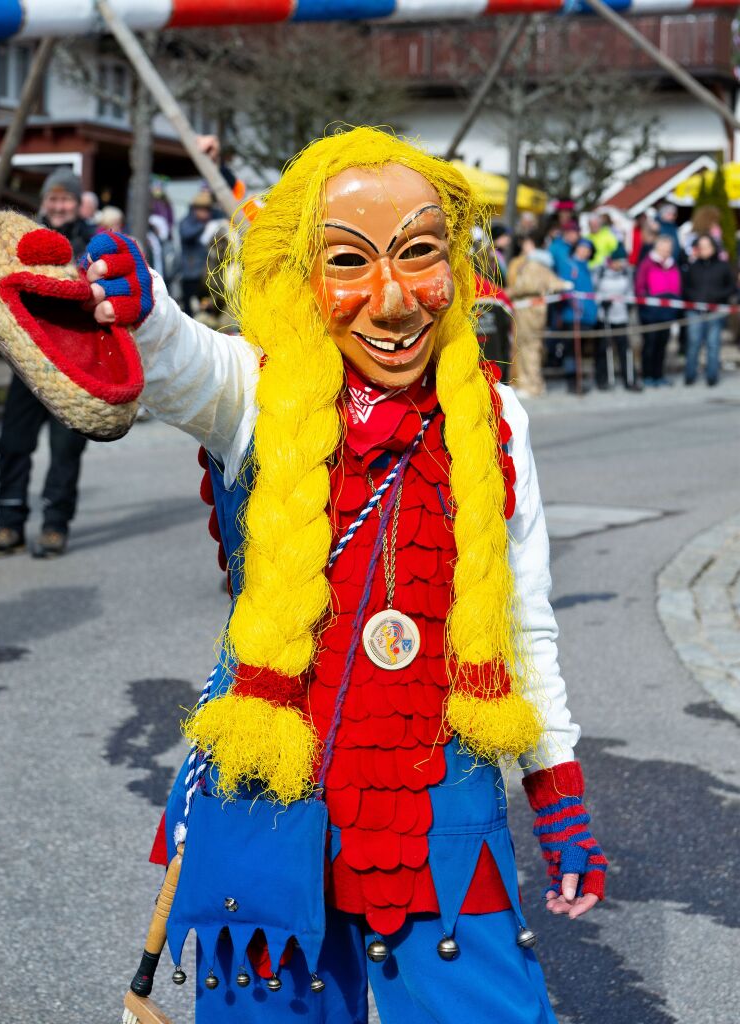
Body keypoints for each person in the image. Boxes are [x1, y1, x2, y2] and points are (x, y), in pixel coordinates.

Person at [78, 130, 605, 1023]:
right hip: (271, 783)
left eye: (419, 255)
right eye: (349, 262)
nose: (393, 300)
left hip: (441, 785)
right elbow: (177, 363)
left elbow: (526, 619)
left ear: (456, 262)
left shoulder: (496, 415)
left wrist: (555, 787)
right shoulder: (258, 391)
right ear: (297, 272)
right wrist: (138, 308)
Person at [0, 168, 96, 558]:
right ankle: (9, 524)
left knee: (66, 449)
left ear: (77, 203)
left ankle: (54, 525)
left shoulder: (94, 241)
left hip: (73, 363)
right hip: (27, 361)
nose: (59, 205)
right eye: (53, 198)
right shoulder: (22, 238)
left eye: (66, 199)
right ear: (45, 202)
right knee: (13, 443)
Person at [506, 234, 569, 397]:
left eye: (526, 243)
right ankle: (526, 382)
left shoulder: (533, 264)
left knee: (529, 346)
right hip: (528, 310)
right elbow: (556, 283)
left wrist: (505, 293)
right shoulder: (538, 263)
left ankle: (533, 385)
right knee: (525, 346)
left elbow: (525, 286)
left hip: (530, 311)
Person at [682, 233, 735, 387]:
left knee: (713, 344)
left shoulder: (723, 266)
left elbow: (731, 288)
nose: (704, 249)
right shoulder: (693, 266)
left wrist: (716, 297)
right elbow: (685, 288)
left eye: (707, 246)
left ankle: (712, 376)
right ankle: (690, 375)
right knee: (693, 343)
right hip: (695, 310)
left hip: (715, 311)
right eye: (701, 246)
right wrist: (695, 298)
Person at [634, 233, 681, 387]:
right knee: (650, 344)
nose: (666, 252)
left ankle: (659, 374)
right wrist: (646, 306)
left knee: (662, 345)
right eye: (664, 249)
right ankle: (647, 375)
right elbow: (639, 287)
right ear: (657, 247)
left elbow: (677, 287)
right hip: (651, 312)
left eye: (668, 249)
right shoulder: (647, 263)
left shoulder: (673, 265)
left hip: (667, 312)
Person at [595, 243, 641, 390]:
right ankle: (603, 379)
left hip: (621, 315)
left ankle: (630, 379)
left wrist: (629, 303)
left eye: (623, 262)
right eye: (619, 262)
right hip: (605, 316)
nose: (622, 265)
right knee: (604, 348)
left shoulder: (626, 273)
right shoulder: (601, 271)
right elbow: (593, 291)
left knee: (625, 348)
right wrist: (601, 302)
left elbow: (630, 290)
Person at [558, 237, 598, 392]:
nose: (585, 252)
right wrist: (574, 302)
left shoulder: (587, 268)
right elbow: (566, 286)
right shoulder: (570, 265)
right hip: (573, 315)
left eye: (588, 250)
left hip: (587, 315)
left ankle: (578, 379)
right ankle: (572, 381)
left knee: (580, 349)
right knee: (572, 350)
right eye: (582, 248)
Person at [179, 188, 219, 315]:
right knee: (190, 310)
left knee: (206, 309)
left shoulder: (210, 222)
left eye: (208, 209)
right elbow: (186, 234)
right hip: (191, 275)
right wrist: (204, 227)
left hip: (205, 275)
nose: (207, 213)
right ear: (196, 209)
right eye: (204, 209)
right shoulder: (187, 222)